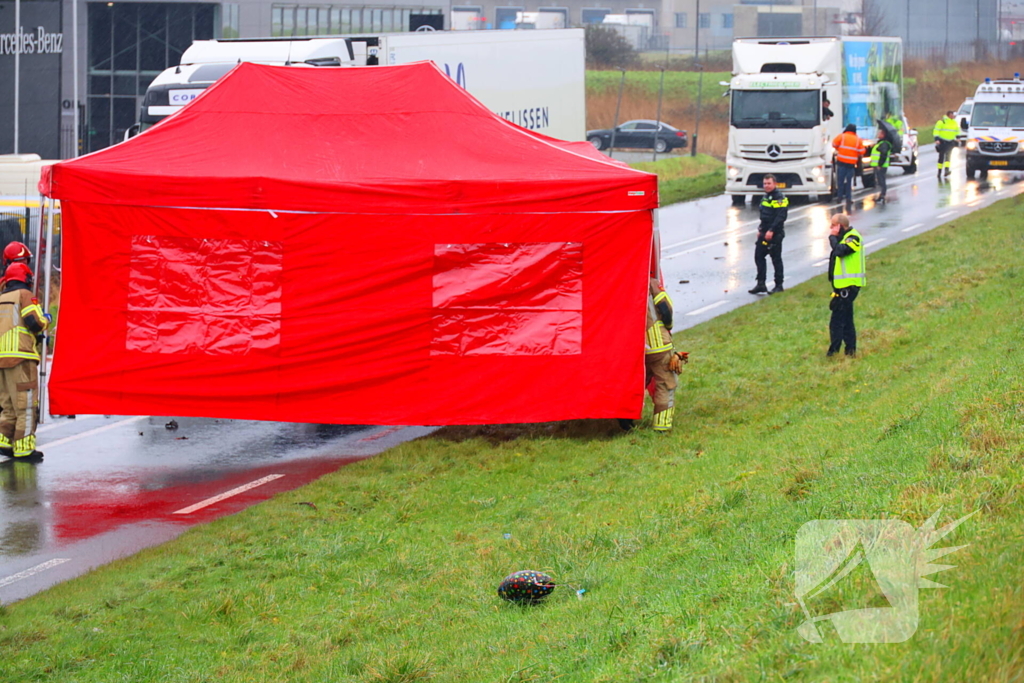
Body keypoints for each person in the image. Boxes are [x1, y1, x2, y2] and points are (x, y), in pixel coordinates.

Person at [0, 263, 48, 461]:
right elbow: (34, 322)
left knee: (8, 404)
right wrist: (46, 318)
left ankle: (4, 441)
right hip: (21, 357)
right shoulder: (24, 295)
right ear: (26, 278)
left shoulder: (1, 297)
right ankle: (24, 448)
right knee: (26, 405)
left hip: (2, 359)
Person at [643, 278, 684, 432]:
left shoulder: (621, 282)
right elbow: (665, 309)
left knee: (636, 383)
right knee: (666, 383)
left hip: (633, 347)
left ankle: (624, 419)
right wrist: (668, 327)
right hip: (657, 344)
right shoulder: (650, 283)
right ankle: (662, 426)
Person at [826, 214, 865, 357]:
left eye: (833, 225)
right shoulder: (844, 238)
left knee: (837, 320)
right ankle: (850, 351)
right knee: (847, 319)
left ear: (840, 226)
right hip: (841, 285)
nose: (830, 229)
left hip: (849, 286)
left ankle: (834, 351)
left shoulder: (853, 238)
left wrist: (832, 237)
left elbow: (839, 252)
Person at [748, 174, 788, 295]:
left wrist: (771, 230)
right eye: (765, 183)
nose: (766, 186)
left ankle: (779, 285)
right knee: (759, 256)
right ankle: (761, 284)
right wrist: (761, 230)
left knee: (776, 259)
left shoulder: (780, 198)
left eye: (769, 183)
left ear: (775, 184)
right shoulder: (765, 197)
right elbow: (764, 216)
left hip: (775, 233)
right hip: (764, 232)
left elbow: (780, 216)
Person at [832, 124, 865, 205]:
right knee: (849, 182)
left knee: (840, 181)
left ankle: (839, 198)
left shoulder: (842, 136)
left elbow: (834, 144)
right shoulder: (858, 139)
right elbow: (862, 151)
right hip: (851, 164)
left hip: (841, 163)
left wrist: (839, 149)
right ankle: (848, 198)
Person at [933, 110, 959, 178]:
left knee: (948, 156)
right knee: (941, 157)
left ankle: (947, 170)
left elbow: (957, 131)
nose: (953, 116)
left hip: (950, 142)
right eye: (952, 115)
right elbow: (936, 130)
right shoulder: (941, 122)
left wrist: (958, 138)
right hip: (942, 141)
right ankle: (939, 172)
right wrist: (937, 139)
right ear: (949, 115)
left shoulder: (954, 122)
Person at [869, 128, 892, 203]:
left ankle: (882, 195)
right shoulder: (880, 143)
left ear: (883, 135)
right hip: (878, 165)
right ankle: (881, 195)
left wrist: (880, 164)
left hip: (880, 166)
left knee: (881, 181)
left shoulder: (884, 144)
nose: (878, 134)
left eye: (880, 133)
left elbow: (883, 155)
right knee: (879, 181)